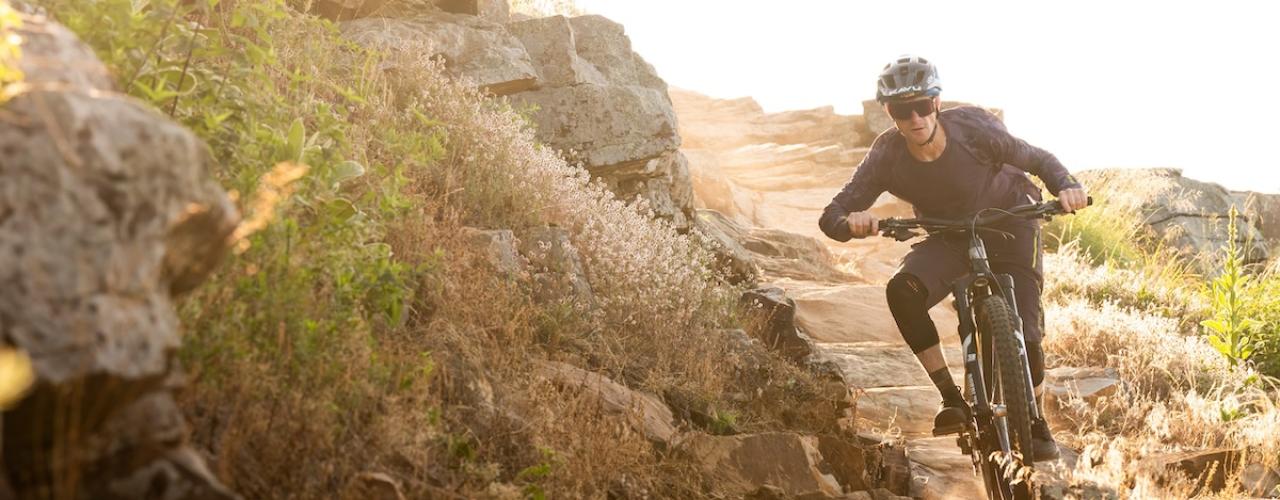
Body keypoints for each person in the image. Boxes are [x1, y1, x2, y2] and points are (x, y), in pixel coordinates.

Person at [818, 55, 1088, 461]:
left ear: (937, 103)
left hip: (1011, 221)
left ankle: (1034, 420)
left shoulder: (975, 130)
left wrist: (1066, 185)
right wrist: (855, 222)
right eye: (901, 110)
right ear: (888, 114)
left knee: (1027, 333)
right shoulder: (887, 155)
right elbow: (832, 216)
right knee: (903, 292)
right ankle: (951, 397)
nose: (915, 118)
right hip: (948, 235)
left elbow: (1036, 159)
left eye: (922, 105)